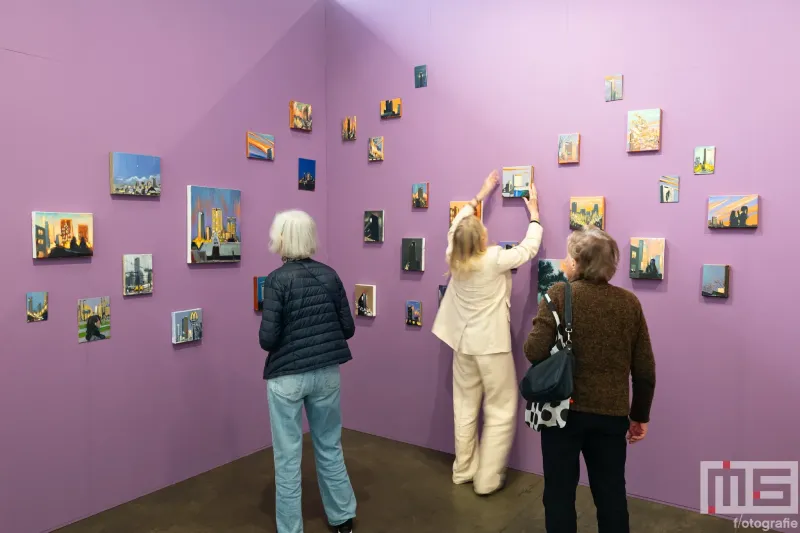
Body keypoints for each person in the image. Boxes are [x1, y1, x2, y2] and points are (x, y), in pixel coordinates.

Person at [523, 226, 656, 533]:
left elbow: (533, 351)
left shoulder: (559, 294)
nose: (565, 260)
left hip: (562, 414)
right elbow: (645, 369)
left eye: (569, 255)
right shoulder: (629, 303)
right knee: (611, 495)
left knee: (559, 494)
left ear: (577, 261)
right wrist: (640, 416)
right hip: (611, 417)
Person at [432, 169, 543, 496]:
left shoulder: (453, 257)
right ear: (481, 239)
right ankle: (487, 479)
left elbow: (455, 227)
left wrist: (480, 194)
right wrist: (535, 214)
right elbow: (528, 249)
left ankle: (464, 470)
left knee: (464, 406)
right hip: (492, 346)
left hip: (463, 344)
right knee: (501, 408)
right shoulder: (493, 258)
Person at [258, 210, 357, 533]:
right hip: (326, 373)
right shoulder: (330, 275)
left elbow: (267, 339)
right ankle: (343, 519)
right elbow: (347, 328)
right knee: (329, 446)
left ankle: (291, 528)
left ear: (282, 237)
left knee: (287, 457)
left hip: (287, 376)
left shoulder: (276, 280)